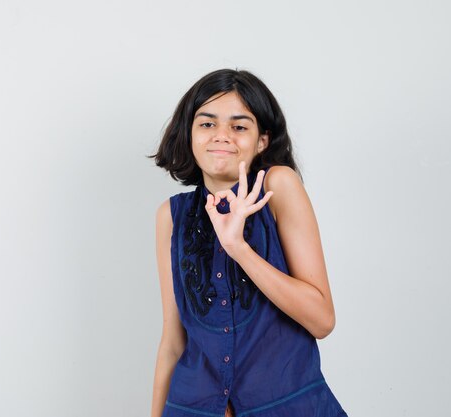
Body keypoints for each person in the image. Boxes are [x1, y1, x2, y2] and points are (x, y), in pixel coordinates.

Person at [147, 69, 349, 417]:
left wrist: (238, 247)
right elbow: (173, 342)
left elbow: (322, 319)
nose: (221, 136)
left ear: (262, 141)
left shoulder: (279, 187)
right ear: (189, 134)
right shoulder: (171, 215)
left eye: (239, 126)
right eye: (207, 124)